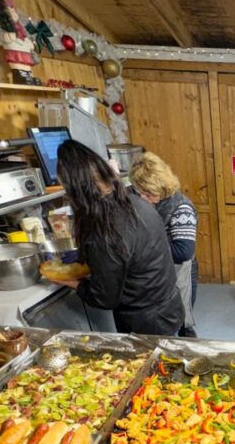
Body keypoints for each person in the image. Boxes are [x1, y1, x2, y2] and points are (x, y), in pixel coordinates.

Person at [55, 140, 183, 335]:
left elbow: (105, 299)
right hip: (170, 306)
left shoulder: (105, 232)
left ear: (76, 190)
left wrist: (67, 281)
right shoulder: (137, 203)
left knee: (152, 364)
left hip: (145, 323)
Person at [130, 152, 199, 337]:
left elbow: (183, 251)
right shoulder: (144, 199)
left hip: (178, 272)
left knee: (182, 318)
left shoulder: (181, 207)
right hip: (158, 272)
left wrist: (143, 249)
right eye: (140, 192)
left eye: (149, 193)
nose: (144, 198)